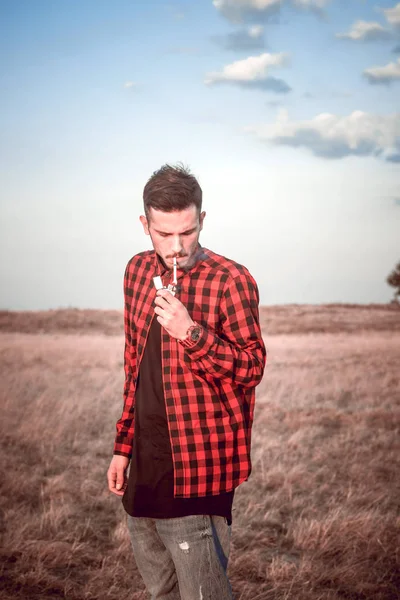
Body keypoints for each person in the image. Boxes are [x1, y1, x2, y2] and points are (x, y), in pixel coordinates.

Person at [107, 164, 266, 600]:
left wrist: (191, 333)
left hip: (199, 470)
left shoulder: (231, 279)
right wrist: (123, 448)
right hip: (144, 466)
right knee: (162, 592)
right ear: (145, 225)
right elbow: (134, 369)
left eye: (188, 232)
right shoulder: (136, 272)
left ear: (202, 220)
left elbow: (252, 368)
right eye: (164, 234)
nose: (177, 247)